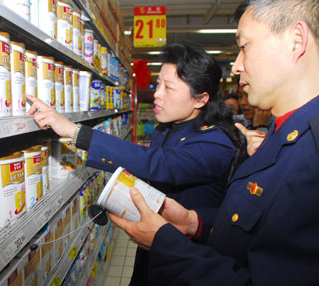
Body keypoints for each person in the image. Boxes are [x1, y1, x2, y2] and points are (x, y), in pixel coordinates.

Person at [110, 0, 319, 284]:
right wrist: (194, 222)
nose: (236, 66)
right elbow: (251, 231)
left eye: (244, 46)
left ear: (296, 40)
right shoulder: (280, 133)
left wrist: (166, 244)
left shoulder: (311, 152)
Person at [27, 42, 246, 284]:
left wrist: (74, 131)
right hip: (153, 249)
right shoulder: (166, 128)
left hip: (189, 262)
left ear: (200, 99)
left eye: (168, 88)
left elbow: (160, 165)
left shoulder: (216, 142)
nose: (156, 93)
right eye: (158, 83)